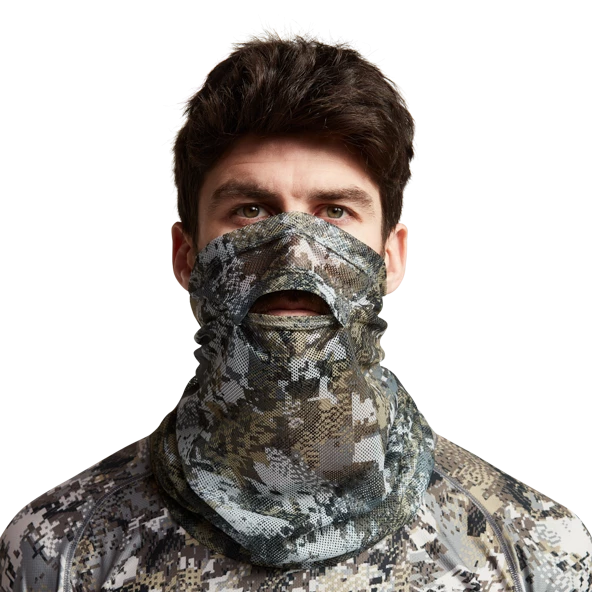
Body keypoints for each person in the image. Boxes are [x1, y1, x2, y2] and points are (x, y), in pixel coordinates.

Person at [1, 26, 591, 592]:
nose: (295, 255)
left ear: (391, 258)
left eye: (334, 212)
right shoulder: (52, 553)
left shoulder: (536, 552)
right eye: (251, 211)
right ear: (185, 256)